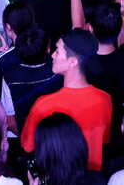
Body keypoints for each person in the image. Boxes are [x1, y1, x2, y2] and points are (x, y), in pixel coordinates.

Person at [20, 28, 113, 172]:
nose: (52, 56)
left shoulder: (44, 105)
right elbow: (103, 142)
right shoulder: (105, 100)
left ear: (73, 62)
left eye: (57, 51)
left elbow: (28, 146)